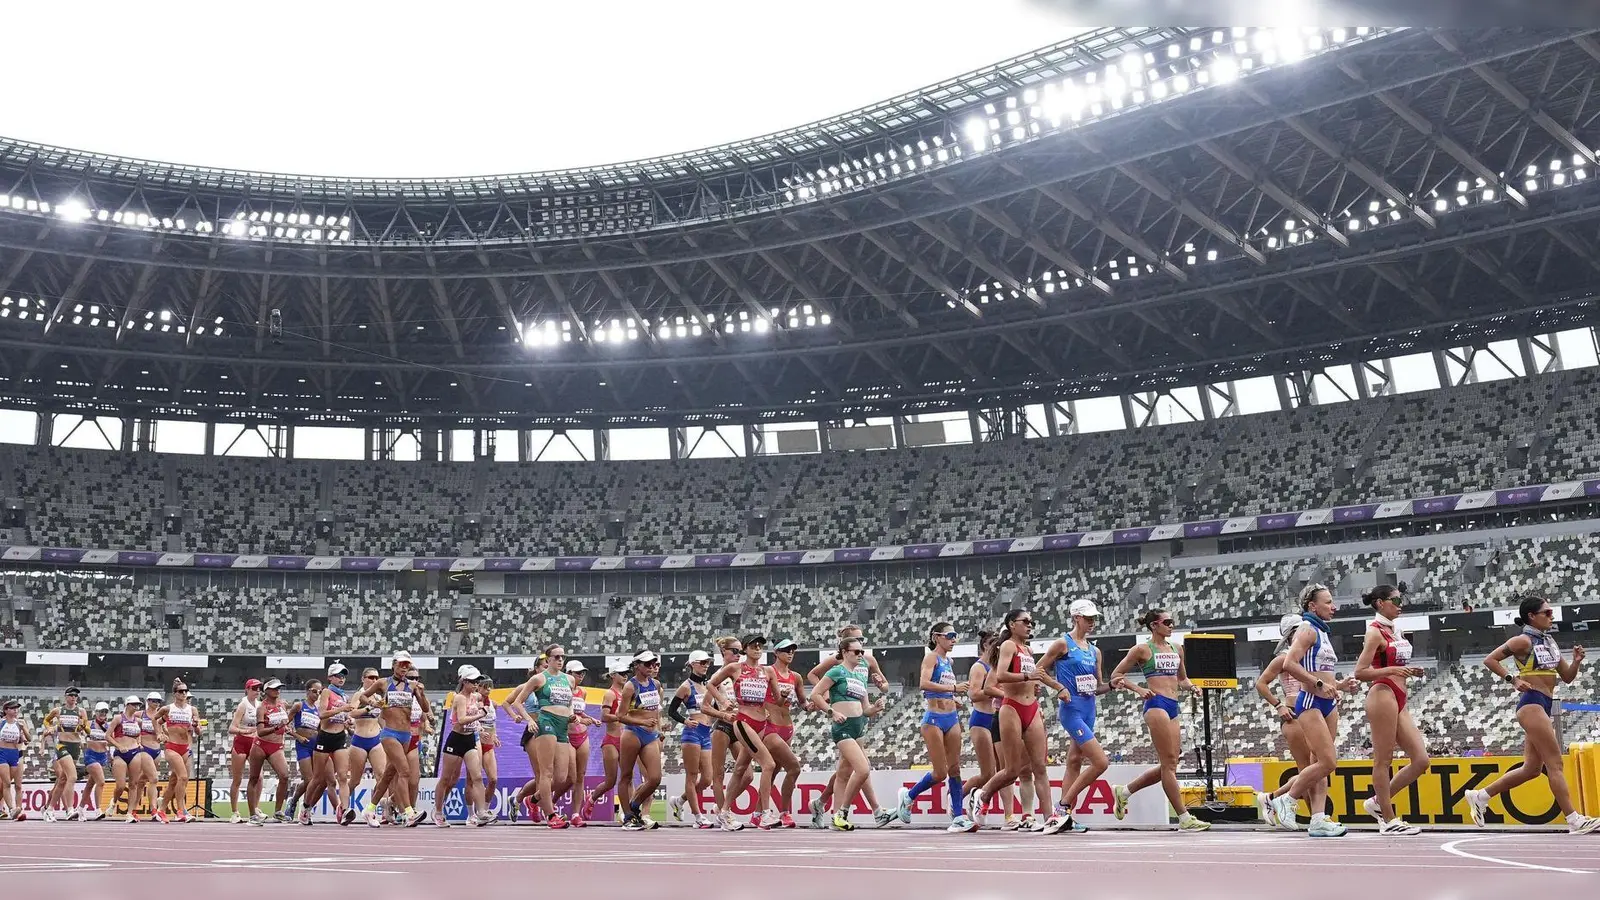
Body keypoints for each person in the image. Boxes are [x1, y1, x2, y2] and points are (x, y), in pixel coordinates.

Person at [1467, 595, 1599, 833]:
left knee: (1531, 769)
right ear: (1531, 616)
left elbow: (1567, 677)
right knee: (1555, 763)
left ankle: (1480, 795)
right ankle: (1574, 820)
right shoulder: (1522, 640)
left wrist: (1576, 661)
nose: (1552, 616)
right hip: (1531, 704)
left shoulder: (1549, 642)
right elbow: (1490, 659)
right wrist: (1512, 679)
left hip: (1544, 704)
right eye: (1547, 613)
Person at [1107, 608, 1208, 831]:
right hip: (1156, 705)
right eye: (1168, 622)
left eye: (1173, 622)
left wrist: (1192, 687)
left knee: (1170, 764)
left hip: (1173, 706)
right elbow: (1116, 676)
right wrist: (1138, 689)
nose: (1172, 625)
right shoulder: (1142, 649)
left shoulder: (1177, 648)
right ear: (1154, 625)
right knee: (1169, 764)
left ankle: (1124, 791)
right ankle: (1184, 817)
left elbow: (1181, 679)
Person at [1271, 584, 1358, 837]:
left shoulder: (1323, 632)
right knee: (1328, 762)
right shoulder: (1308, 630)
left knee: (1318, 763)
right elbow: (1290, 663)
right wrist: (1317, 684)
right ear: (1312, 606)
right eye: (1328, 602)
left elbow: (1322, 672)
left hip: (1327, 703)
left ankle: (1318, 818)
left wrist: (1339, 685)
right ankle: (1286, 799)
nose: (1334, 607)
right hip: (1310, 701)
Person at [1352, 585, 1429, 836]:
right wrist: (1393, 671)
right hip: (1382, 693)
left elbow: (1395, 663)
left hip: (1399, 695)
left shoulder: (1395, 629)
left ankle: (1376, 802)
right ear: (1380, 603)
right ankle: (1388, 818)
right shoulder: (1374, 633)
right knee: (1383, 760)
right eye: (1395, 600)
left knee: (1421, 760)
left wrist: (1410, 670)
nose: (1400, 604)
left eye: (1400, 599)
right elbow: (1360, 672)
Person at [806, 625, 896, 828]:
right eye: (857, 647)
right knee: (862, 770)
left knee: (845, 772)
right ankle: (850, 812)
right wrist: (830, 708)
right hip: (843, 726)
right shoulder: (836, 668)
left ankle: (828, 809)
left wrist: (876, 706)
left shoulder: (862, 670)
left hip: (860, 726)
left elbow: (868, 705)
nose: (861, 650)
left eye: (862, 645)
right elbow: (814, 687)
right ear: (845, 649)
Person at [970, 609, 1051, 832]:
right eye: (1025, 621)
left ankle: (1049, 817)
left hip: (1031, 707)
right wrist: (1027, 677)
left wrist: (1055, 688)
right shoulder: (1007, 647)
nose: (1030, 625)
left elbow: (1033, 676)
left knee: (1039, 767)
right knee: (1012, 770)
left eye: (1032, 621)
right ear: (1012, 625)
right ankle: (983, 794)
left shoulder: (1028, 649)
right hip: (1009, 709)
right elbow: (999, 678)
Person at [1037, 599, 1112, 834]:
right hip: (1072, 711)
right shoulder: (1062, 644)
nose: (1092, 622)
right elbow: (1037, 670)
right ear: (1076, 618)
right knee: (1100, 762)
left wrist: (1113, 686)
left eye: (1094, 618)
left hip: (1090, 710)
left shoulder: (1095, 651)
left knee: (1074, 762)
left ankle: (1067, 818)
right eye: (1088, 618)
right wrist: (1059, 687)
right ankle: (1062, 808)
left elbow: (1098, 687)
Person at [895, 622, 976, 833]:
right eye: (950, 635)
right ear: (936, 637)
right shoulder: (931, 657)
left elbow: (939, 688)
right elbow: (924, 683)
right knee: (940, 773)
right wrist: (954, 688)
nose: (954, 639)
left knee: (955, 768)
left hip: (951, 717)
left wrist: (951, 697)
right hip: (934, 719)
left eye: (955, 635)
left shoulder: (948, 661)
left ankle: (958, 817)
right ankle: (909, 796)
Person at [706, 634, 785, 829]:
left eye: (760, 646)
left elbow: (777, 701)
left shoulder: (768, 672)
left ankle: (723, 811)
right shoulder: (735, 668)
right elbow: (710, 684)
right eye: (753, 646)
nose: (758, 649)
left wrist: (784, 696)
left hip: (761, 724)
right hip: (743, 722)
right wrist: (723, 702)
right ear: (745, 649)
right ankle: (764, 814)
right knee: (769, 764)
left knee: (741, 769)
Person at [356, 651, 430, 827]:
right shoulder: (383, 683)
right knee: (404, 772)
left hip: (406, 735)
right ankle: (409, 813)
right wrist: (374, 703)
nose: (404, 668)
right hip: (389, 733)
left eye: (407, 665)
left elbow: (425, 708)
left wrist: (420, 693)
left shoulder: (412, 686)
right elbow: (363, 696)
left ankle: (369, 809)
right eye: (401, 664)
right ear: (394, 665)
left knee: (389, 775)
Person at [1254, 614, 1312, 826]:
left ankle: (1271, 798)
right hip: (1293, 714)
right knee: (1308, 769)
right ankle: (1316, 816)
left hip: (1311, 712)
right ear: (1292, 635)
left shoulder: (1308, 656)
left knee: (1315, 768)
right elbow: (1261, 683)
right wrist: (1278, 706)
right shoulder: (1283, 658)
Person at [960, 631, 1013, 829]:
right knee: (987, 774)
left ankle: (1009, 815)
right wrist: (996, 691)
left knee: (1005, 770)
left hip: (998, 718)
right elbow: (973, 694)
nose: (997, 647)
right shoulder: (979, 667)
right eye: (993, 644)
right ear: (985, 646)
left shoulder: (1001, 666)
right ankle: (956, 799)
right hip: (981, 719)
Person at [300, 663, 358, 825]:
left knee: (342, 777)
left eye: (343, 676)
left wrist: (348, 720)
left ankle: (345, 810)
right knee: (318, 778)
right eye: (338, 675)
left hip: (340, 737)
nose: (341, 678)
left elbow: (342, 715)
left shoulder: (344, 696)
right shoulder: (326, 692)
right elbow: (322, 714)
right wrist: (342, 710)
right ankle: (305, 808)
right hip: (325, 738)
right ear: (330, 677)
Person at [434, 665, 490, 827]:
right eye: (472, 681)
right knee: (447, 778)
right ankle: (438, 811)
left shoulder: (476, 696)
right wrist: (481, 714)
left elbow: (484, 706)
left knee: (477, 776)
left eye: (477, 681)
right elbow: (462, 720)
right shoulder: (459, 698)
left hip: (470, 739)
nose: (475, 684)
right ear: (464, 682)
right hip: (456, 740)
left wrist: (481, 719)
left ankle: (481, 812)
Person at [616, 651, 665, 830]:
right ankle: (628, 816)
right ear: (637, 665)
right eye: (647, 664)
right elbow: (620, 716)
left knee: (655, 778)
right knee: (626, 776)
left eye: (653, 663)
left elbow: (656, 710)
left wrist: (658, 728)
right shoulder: (630, 686)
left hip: (650, 735)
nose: (651, 667)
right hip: (632, 734)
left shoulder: (656, 684)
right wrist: (642, 721)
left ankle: (634, 807)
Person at [669, 649, 717, 828]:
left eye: (707, 663)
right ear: (692, 664)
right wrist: (685, 721)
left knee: (707, 779)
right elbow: (671, 710)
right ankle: (698, 817)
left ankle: (680, 800)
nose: (706, 666)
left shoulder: (709, 685)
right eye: (702, 663)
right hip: (692, 733)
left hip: (706, 732)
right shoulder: (685, 686)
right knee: (692, 776)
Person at [581, 664, 630, 823]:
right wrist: (621, 717)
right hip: (611, 740)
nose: (625, 676)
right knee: (611, 781)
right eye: (621, 673)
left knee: (627, 778)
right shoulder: (610, 694)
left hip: (625, 739)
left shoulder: (627, 693)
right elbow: (604, 717)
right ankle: (592, 798)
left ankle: (629, 812)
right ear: (613, 675)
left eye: (626, 673)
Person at [249, 679, 294, 825]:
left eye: (279, 688)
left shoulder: (283, 705)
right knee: (254, 778)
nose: (278, 690)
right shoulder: (262, 708)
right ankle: (252, 815)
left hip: (276, 746)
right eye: (274, 688)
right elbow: (260, 732)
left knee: (285, 775)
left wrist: (289, 730)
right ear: (266, 691)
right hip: (260, 745)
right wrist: (276, 727)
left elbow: (285, 724)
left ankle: (278, 811)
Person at [152, 678, 197, 823]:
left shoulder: (192, 710)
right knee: (183, 777)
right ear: (175, 694)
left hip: (186, 749)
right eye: (180, 691)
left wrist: (195, 726)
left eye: (185, 691)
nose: (184, 693)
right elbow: (156, 719)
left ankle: (161, 809)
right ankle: (181, 811)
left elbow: (199, 731)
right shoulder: (168, 708)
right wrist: (159, 733)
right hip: (172, 747)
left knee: (174, 782)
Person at [41, 686, 88, 821]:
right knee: (72, 777)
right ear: (66, 697)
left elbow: (87, 729)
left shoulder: (81, 711)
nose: (73, 698)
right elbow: (46, 720)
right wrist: (49, 727)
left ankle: (49, 810)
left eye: (75, 696)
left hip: (75, 746)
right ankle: (70, 809)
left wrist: (83, 725)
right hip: (62, 744)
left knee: (62, 780)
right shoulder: (58, 710)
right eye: (71, 695)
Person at [344, 667, 386, 819]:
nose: (374, 680)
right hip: (359, 740)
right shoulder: (359, 694)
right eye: (370, 677)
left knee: (382, 776)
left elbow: (381, 718)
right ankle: (344, 807)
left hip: (375, 739)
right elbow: (352, 712)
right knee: (355, 780)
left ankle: (378, 811)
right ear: (363, 679)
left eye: (376, 678)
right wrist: (368, 707)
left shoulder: (379, 696)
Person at [109, 696, 154, 824]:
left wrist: (139, 742)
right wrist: (118, 746)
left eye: (138, 705)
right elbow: (108, 735)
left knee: (134, 784)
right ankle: (114, 801)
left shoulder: (138, 721)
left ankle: (129, 813)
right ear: (127, 704)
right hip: (120, 753)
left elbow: (139, 734)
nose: (136, 707)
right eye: (134, 704)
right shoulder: (118, 718)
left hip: (135, 752)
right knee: (121, 785)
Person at [283, 680, 322, 821]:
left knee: (314, 781)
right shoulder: (299, 706)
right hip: (303, 746)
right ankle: (293, 802)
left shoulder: (318, 710)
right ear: (307, 691)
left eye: (320, 692)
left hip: (316, 746)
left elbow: (319, 729)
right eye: (314, 691)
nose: (317, 694)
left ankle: (304, 808)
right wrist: (298, 737)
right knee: (309, 779)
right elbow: (284, 725)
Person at [225, 679, 262, 823]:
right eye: (254, 688)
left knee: (258, 778)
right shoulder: (243, 705)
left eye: (259, 688)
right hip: (241, 743)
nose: (257, 691)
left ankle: (256, 808)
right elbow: (231, 728)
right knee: (237, 779)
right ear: (247, 689)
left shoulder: (260, 705)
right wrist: (246, 731)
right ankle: (235, 812)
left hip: (255, 743)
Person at [80, 700, 112, 821]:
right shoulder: (89, 724)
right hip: (91, 756)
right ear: (96, 713)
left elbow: (109, 742)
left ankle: (80, 808)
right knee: (101, 782)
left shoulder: (108, 727)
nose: (103, 714)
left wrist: (110, 756)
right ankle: (97, 809)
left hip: (102, 756)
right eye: (101, 711)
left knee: (90, 784)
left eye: (105, 711)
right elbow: (82, 735)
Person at [0, 699, 29, 821]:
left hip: (15, 754)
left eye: (17, 708)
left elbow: (28, 739)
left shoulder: (20, 723)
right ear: (6, 710)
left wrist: (23, 731)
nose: (15, 710)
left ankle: (14, 809)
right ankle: (12, 809)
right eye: (12, 708)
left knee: (11, 783)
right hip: (2, 753)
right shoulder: (1, 722)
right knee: (6, 783)